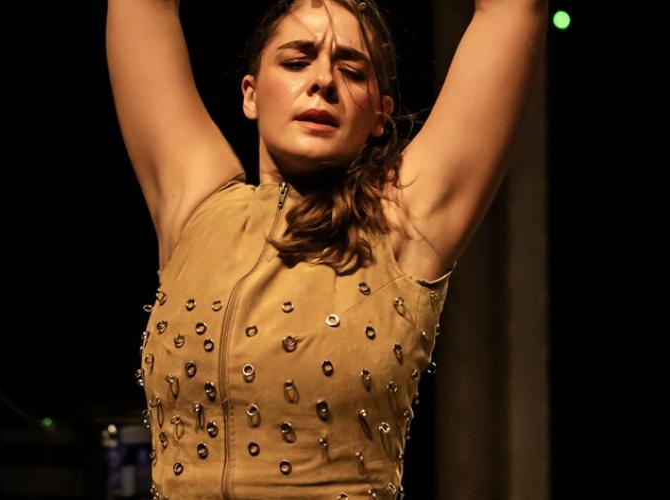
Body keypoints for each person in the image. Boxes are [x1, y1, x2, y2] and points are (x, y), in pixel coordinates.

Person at [107, 0, 547, 498]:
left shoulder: (402, 222)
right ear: (251, 94)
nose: (323, 81)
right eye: (297, 62)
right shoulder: (197, 207)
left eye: (352, 72)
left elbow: (512, 11)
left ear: (380, 114)